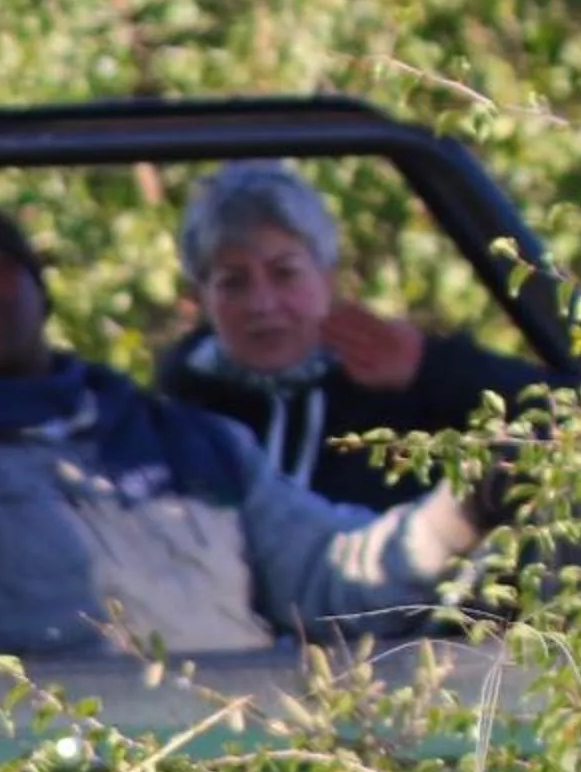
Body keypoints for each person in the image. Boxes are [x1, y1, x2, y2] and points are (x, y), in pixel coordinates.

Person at [0, 148, 507, 657]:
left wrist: (460, 512)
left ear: (40, 292)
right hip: (66, 765)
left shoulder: (188, 443)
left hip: (252, 740)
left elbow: (329, 574)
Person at [156, 160, 560, 510]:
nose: (262, 303)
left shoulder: (399, 391)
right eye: (234, 283)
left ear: (327, 277)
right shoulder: (175, 417)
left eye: (285, 274)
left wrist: (432, 370)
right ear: (202, 297)